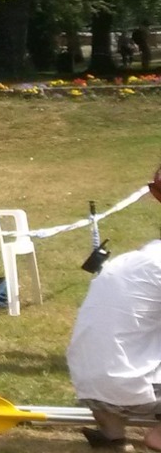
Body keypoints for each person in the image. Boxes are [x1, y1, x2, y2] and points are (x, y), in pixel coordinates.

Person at [69, 161, 161, 450]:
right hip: (128, 387)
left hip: (88, 385)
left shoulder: (133, 260)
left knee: (113, 341)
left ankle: (112, 435)